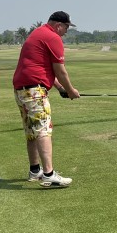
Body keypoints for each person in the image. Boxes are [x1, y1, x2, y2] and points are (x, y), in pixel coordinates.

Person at [13, 11, 80, 188]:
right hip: (34, 90)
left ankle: (35, 171)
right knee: (43, 130)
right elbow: (60, 70)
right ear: (58, 25)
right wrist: (71, 90)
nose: (66, 31)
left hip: (23, 89)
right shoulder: (52, 37)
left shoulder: (38, 32)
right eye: (66, 27)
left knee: (32, 131)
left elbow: (44, 68)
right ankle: (49, 174)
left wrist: (60, 88)